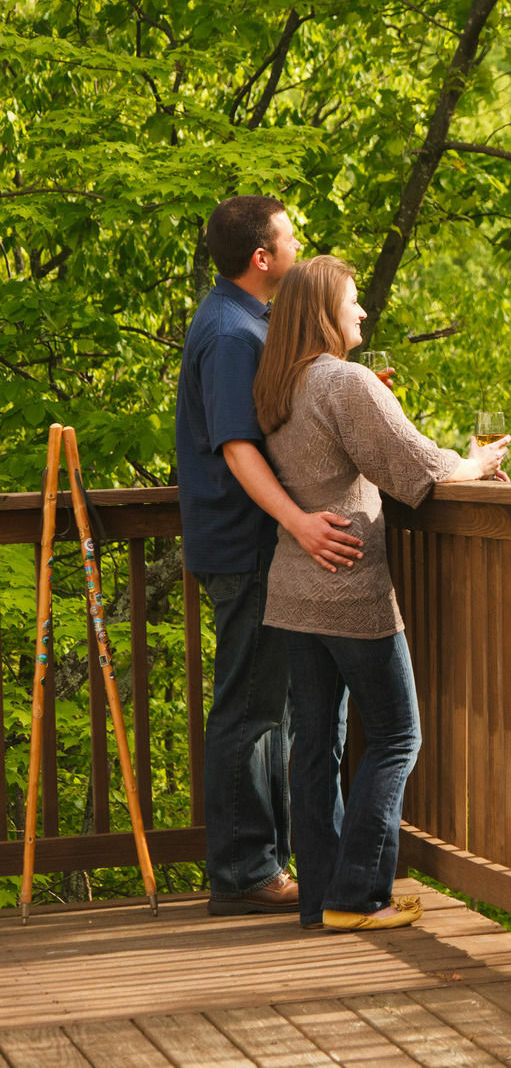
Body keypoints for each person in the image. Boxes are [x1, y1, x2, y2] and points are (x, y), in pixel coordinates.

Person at [251, 255, 509, 931]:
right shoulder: (343, 381)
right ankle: (359, 893)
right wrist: (475, 464)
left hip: (294, 589)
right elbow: (414, 465)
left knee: (315, 744)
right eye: (353, 301)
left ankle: (322, 898)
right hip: (348, 586)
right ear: (324, 311)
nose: (362, 312)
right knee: (398, 734)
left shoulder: (281, 385)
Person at [176, 195, 366, 916]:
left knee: (272, 709)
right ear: (263, 258)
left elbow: (277, 420)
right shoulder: (231, 333)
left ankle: (268, 863)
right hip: (247, 544)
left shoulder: (248, 322)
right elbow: (236, 446)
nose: (299, 244)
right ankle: (245, 872)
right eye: (291, 236)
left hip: (256, 542)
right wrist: (299, 521)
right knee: (250, 710)